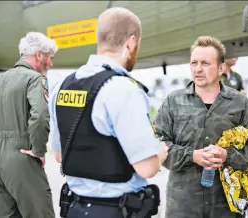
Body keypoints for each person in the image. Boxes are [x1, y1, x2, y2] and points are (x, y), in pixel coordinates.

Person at [48, 7, 168, 218]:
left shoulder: (62, 86)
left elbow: (59, 155)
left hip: (74, 209)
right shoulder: (124, 89)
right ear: (130, 43)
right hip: (116, 210)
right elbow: (146, 168)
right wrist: (161, 153)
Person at [153, 36, 248, 218]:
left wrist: (228, 156)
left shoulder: (240, 103)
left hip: (226, 206)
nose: (198, 69)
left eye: (205, 63)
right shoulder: (173, 102)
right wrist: (192, 156)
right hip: (183, 206)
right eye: (194, 63)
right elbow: (157, 143)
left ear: (221, 68)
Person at [0, 32, 57, 218]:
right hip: (23, 160)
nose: (51, 64)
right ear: (39, 55)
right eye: (50, 58)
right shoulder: (34, 79)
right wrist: (38, 150)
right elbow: (40, 116)